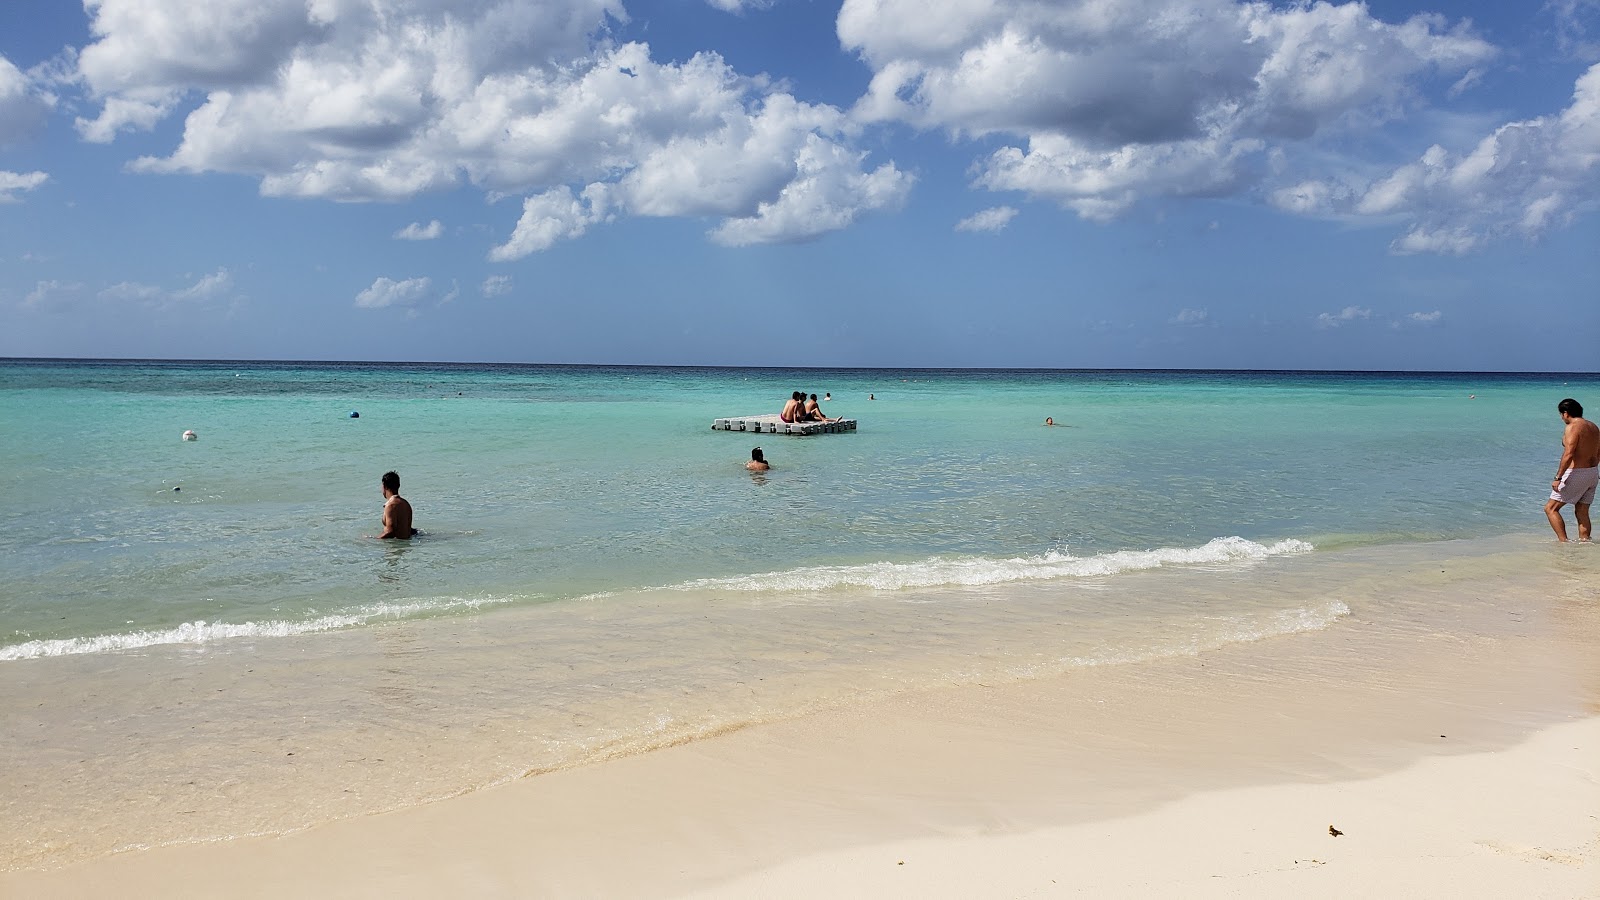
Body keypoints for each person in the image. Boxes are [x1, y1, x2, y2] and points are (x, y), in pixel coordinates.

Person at [1546, 398, 1599, 542]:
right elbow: (1598, 451)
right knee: (1582, 511)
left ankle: (1563, 543)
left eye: (1561, 414)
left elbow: (1569, 453)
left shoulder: (1573, 427)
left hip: (1577, 473)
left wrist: (1558, 477)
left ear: (1566, 413)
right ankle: (1585, 544)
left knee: (1551, 509)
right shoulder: (1593, 427)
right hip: (1592, 473)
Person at [379, 470, 418, 539]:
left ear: (385, 487)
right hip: (406, 547)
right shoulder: (406, 504)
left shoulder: (390, 506)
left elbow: (390, 532)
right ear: (398, 486)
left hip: (395, 548)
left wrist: (373, 539)